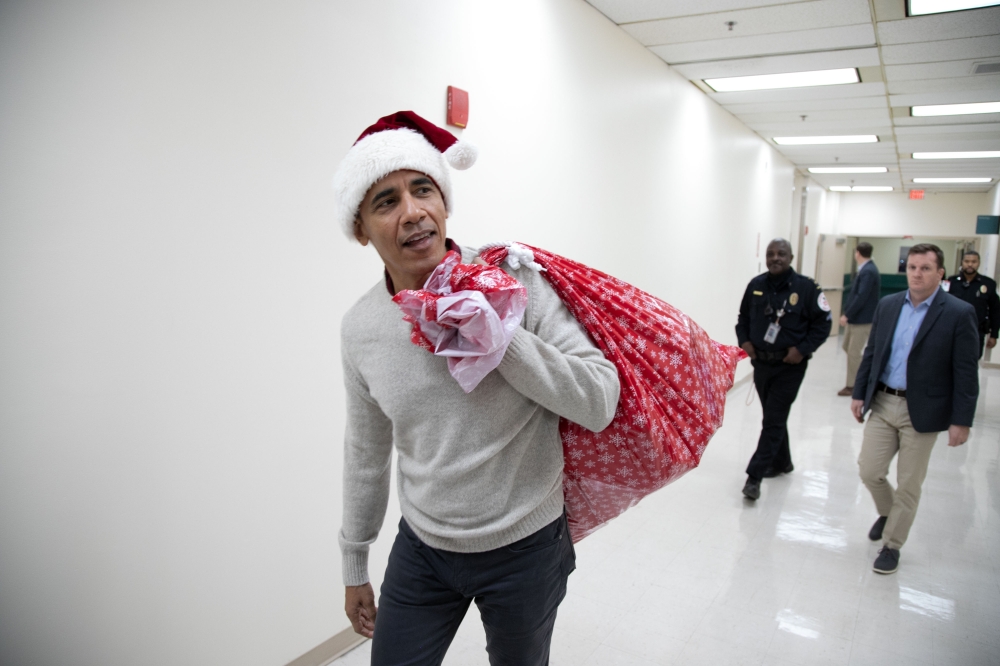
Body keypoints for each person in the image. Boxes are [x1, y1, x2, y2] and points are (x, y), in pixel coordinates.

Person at [331, 111, 620, 665]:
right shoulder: (361, 328)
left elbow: (599, 399)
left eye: (423, 190)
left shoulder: (514, 279)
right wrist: (354, 563)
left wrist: (501, 338)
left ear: (444, 203)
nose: (412, 212)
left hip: (526, 547)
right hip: (424, 548)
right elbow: (366, 453)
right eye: (386, 201)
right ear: (362, 228)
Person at [851, 243, 979, 575]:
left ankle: (892, 545)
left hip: (923, 410)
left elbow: (966, 373)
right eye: (912, 267)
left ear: (940, 274)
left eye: (925, 268)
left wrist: (961, 421)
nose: (917, 274)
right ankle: (888, 511)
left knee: (908, 483)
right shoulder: (889, 305)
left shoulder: (958, 312)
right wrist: (859, 393)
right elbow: (873, 352)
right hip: (883, 401)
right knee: (869, 470)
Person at [736, 239, 832, 501]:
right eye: (771, 254)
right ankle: (783, 462)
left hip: (790, 366)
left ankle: (754, 477)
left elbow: (823, 325)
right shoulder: (756, 285)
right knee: (773, 416)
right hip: (762, 363)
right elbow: (742, 319)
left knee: (774, 418)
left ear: (791, 257)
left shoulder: (807, 288)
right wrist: (744, 342)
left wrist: (802, 349)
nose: (775, 258)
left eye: (781, 254)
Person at [838, 242, 880, 396]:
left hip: (862, 320)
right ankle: (862, 376)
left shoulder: (868, 271)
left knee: (854, 352)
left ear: (857, 253)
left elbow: (861, 296)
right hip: (855, 319)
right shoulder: (865, 270)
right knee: (847, 347)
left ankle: (853, 385)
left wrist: (847, 314)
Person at [945, 250, 999, 358]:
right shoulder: (951, 282)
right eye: (967, 261)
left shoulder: (988, 284)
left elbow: (995, 310)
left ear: (979, 263)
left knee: (971, 363)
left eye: (974, 261)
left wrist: (994, 335)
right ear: (962, 262)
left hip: (976, 331)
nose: (970, 264)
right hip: (952, 331)